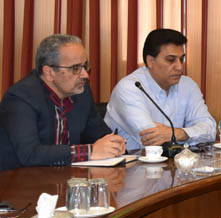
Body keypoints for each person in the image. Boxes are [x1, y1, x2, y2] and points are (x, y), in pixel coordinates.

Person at [0, 34, 126, 169]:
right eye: (76, 68)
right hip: (18, 178)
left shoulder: (81, 93)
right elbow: (30, 154)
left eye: (85, 66)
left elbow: (98, 133)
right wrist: (89, 151)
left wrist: (114, 144)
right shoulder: (21, 97)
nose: (85, 75)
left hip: (65, 176)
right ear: (49, 73)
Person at [104, 29, 215, 151]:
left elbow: (210, 130)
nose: (179, 67)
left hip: (173, 161)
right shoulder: (130, 88)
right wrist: (189, 134)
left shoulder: (187, 85)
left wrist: (179, 133)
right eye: (171, 60)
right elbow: (150, 139)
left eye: (181, 59)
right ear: (150, 61)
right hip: (130, 161)